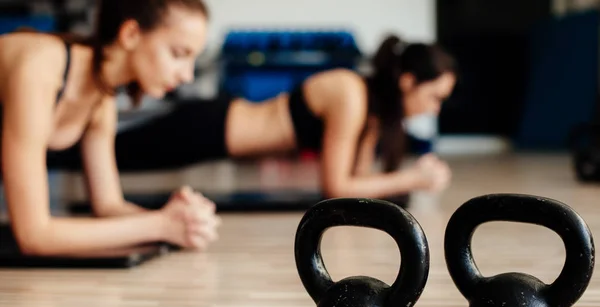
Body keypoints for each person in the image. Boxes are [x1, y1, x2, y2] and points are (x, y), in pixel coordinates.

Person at [104, 34, 457, 199]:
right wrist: (412, 179)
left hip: (214, 138)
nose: (435, 107)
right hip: (209, 126)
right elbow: (336, 188)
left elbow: (356, 183)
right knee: (103, 152)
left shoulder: (371, 113)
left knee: (110, 156)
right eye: (435, 96)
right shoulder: (350, 93)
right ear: (408, 82)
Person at [0, 0, 221, 256]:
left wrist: (178, 220)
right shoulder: (40, 67)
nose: (187, 75)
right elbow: (34, 236)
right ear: (130, 34)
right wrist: (160, 225)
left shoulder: (101, 98)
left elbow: (108, 206)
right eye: (179, 54)